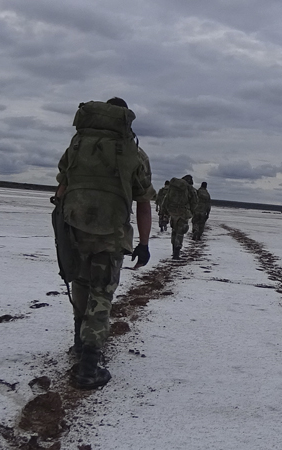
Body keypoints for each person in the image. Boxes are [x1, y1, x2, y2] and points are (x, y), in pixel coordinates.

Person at [55, 97, 154, 389]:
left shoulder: (77, 146)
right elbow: (144, 203)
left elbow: (61, 190)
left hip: (75, 230)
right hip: (111, 236)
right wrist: (145, 243)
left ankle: (78, 344)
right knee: (102, 294)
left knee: (80, 285)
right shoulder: (134, 154)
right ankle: (89, 366)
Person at [161, 174, 197, 259]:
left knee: (174, 230)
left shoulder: (173, 187)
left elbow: (166, 199)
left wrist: (165, 211)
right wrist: (191, 211)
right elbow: (194, 201)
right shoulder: (189, 188)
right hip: (183, 212)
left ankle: (174, 250)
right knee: (180, 232)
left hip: (172, 211)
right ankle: (177, 251)